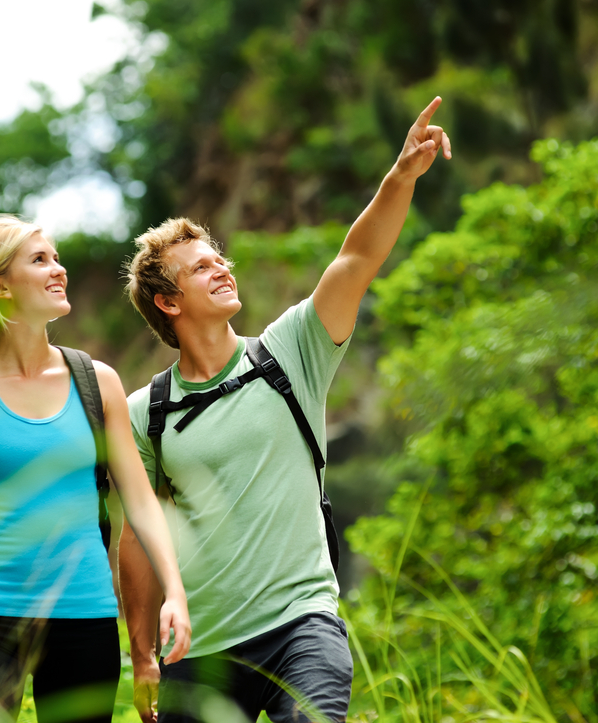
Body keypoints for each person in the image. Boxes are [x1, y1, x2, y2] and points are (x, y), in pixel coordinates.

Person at [119, 97, 452, 723]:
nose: (221, 267)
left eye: (220, 257)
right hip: (202, 651)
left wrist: (400, 176)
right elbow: (137, 535)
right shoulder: (147, 412)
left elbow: (356, 259)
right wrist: (141, 655)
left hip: (303, 625)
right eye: (200, 267)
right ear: (167, 302)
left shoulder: (291, 351)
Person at [0, 215, 192, 723]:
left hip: (85, 613)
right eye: (40, 260)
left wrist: (175, 593)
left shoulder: (98, 383)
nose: (59, 269)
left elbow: (140, 502)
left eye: (56, 257)